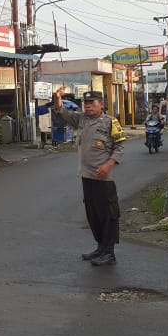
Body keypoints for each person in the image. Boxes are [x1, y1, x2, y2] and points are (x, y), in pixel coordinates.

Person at [51, 87, 126, 266]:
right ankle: (100, 247)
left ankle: (109, 252)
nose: (88, 106)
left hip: (103, 177)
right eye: (86, 103)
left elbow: (120, 146)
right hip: (87, 175)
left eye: (92, 103)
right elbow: (63, 114)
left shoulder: (110, 122)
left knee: (108, 214)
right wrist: (57, 98)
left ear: (101, 104)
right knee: (93, 213)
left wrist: (108, 165)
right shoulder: (82, 119)